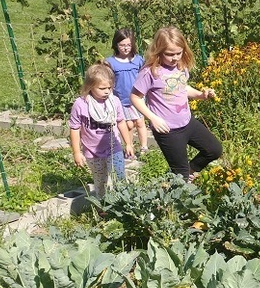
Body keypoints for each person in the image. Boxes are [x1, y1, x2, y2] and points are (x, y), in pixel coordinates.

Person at [130, 26, 222, 180]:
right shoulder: (150, 72)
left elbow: (182, 88)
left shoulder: (180, 66)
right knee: (181, 176)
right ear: (158, 51)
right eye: (169, 54)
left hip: (187, 122)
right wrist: (153, 118)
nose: (175, 58)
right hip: (168, 131)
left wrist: (201, 94)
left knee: (214, 149)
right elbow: (135, 97)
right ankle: (175, 192)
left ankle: (189, 171)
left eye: (179, 53)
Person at [69, 63, 134, 198]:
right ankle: (102, 207)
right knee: (100, 182)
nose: (107, 91)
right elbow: (75, 128)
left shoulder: (114, 101)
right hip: (93, 152)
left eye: (110, 88)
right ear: (90, 86)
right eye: (102, 88)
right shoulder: (81, 104)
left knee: (120, 177)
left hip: (113, 147)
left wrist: (128, 143)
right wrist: (76, 152)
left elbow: (121, 121)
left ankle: (125, 205)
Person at [106, 28, 149, 156]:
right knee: (128, 125)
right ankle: (129, 148)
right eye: (122, 45)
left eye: (128, 45)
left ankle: (144, 147)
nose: (125, 48)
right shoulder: (111, 62)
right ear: (116, 45)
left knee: (140, 122)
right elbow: (107, 79)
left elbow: (145, 75)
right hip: (121, 99)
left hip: (137, 97)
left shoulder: (138, 60)